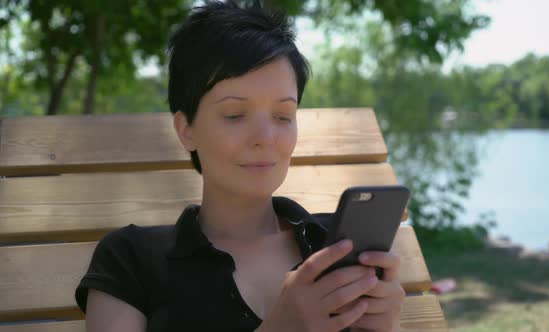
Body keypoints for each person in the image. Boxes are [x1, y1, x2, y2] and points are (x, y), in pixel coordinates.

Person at [74, 1, 404, 331]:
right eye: (234, 115)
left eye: (282, 116)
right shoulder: (131, 260)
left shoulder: (333, 246)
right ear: (186, 129)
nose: (265, 137)